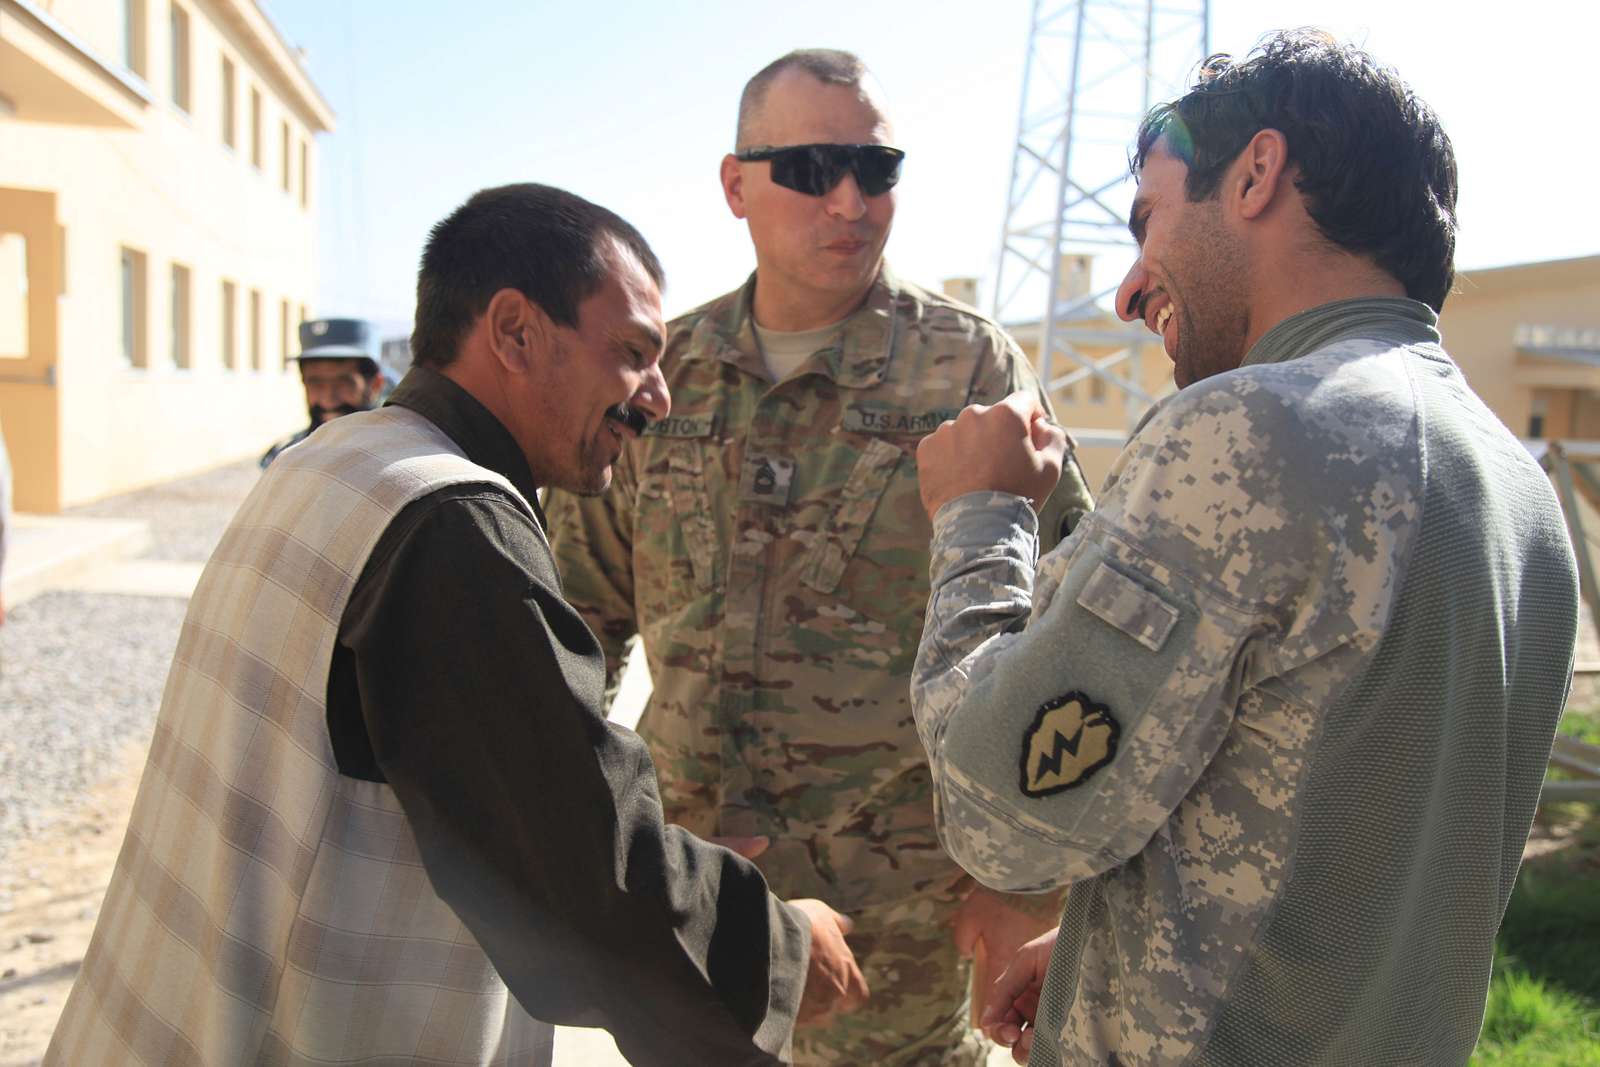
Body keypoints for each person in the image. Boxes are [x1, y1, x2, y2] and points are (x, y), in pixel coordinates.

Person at [46, 183, 866, 1067]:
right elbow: (591, 883)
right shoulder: (449, 522)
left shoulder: (332, 461)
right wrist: (782, 949)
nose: (657, 396)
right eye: (633, 352)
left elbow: (492, 794)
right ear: (513, 330)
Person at [910, 30, 1578, 1067]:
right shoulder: (1518, 491)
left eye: (1150, 221)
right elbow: (1334, 839)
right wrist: (1102, 950)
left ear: (1257, 172)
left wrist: (982, 512)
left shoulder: (1255, 429)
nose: (1130, 292)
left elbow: (1000, 816)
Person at [547, 48, 1095, 1065]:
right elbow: (578, 620)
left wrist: (1022, 878)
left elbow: (1071, 626)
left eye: (875, 169)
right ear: (736, 184)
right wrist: (602, 849)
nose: (849, 199)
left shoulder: (967, 369)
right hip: (698, 908)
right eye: (809, 168)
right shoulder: (664, 378)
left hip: (901, 930)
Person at [259, 318, 388, 468]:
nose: (328, 400)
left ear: (376, 384)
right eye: (316, 383)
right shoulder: (281, 460)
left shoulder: (395, 457)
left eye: (343, 383)